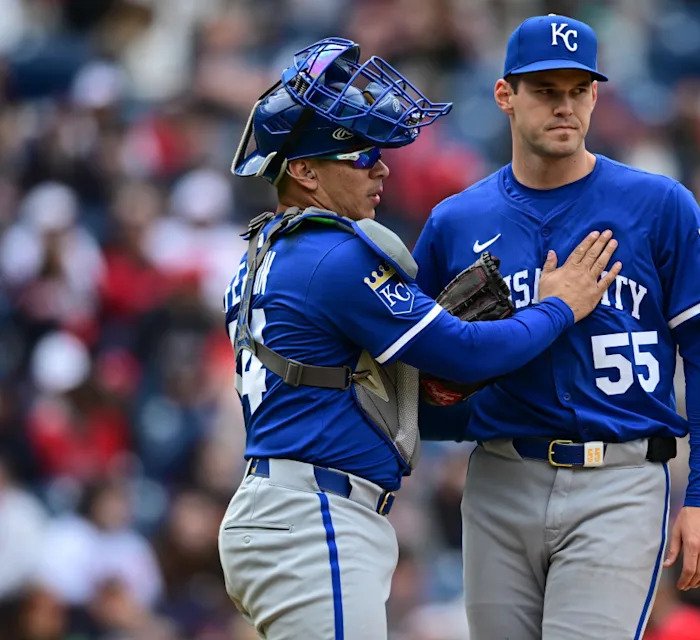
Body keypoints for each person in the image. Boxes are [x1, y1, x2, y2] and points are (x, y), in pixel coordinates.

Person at [217, 37, 621, 640]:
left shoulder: (266, 255)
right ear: (302, 171)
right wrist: (558, 307)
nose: (381, 168)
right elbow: (464, 350)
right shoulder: (332, 256)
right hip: (312, 517)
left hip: (287, 509)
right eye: (359, 155)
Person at [412, 14, 700, 639]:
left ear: (594, 94)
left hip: (619, 478)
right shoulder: (455, 220)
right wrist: (444, 407)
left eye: (578, 90)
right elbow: (417, 369)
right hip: (499, 477)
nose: (565, 106)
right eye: (544, 90)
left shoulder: (658, 204)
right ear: (505, 95)